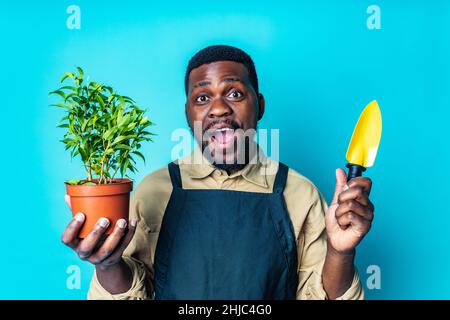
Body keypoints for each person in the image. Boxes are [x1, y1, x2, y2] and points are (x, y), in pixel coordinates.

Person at [62, 45, 373, 300]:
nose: (219, 108)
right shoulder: (153, 191)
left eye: (235, 93)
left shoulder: (300, 193)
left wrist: (340, 253)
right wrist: (108, 264)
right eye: (202, 98)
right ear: (187, 113)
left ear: (259, 105)